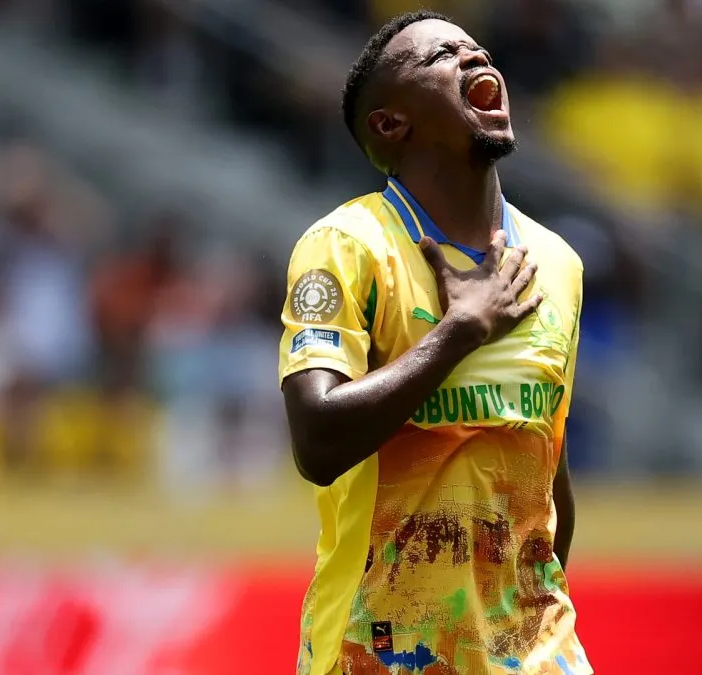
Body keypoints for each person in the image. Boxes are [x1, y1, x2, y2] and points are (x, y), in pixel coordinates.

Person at [278, 10, 591, 674]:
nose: (474, 58)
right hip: (378, 652)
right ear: (391, 124)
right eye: (442, 55)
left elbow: (548, 471)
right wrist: (459, 333)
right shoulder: (346, 247)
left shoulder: (557, 262)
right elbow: (316, 440)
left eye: (478, 49)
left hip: (533, 655)